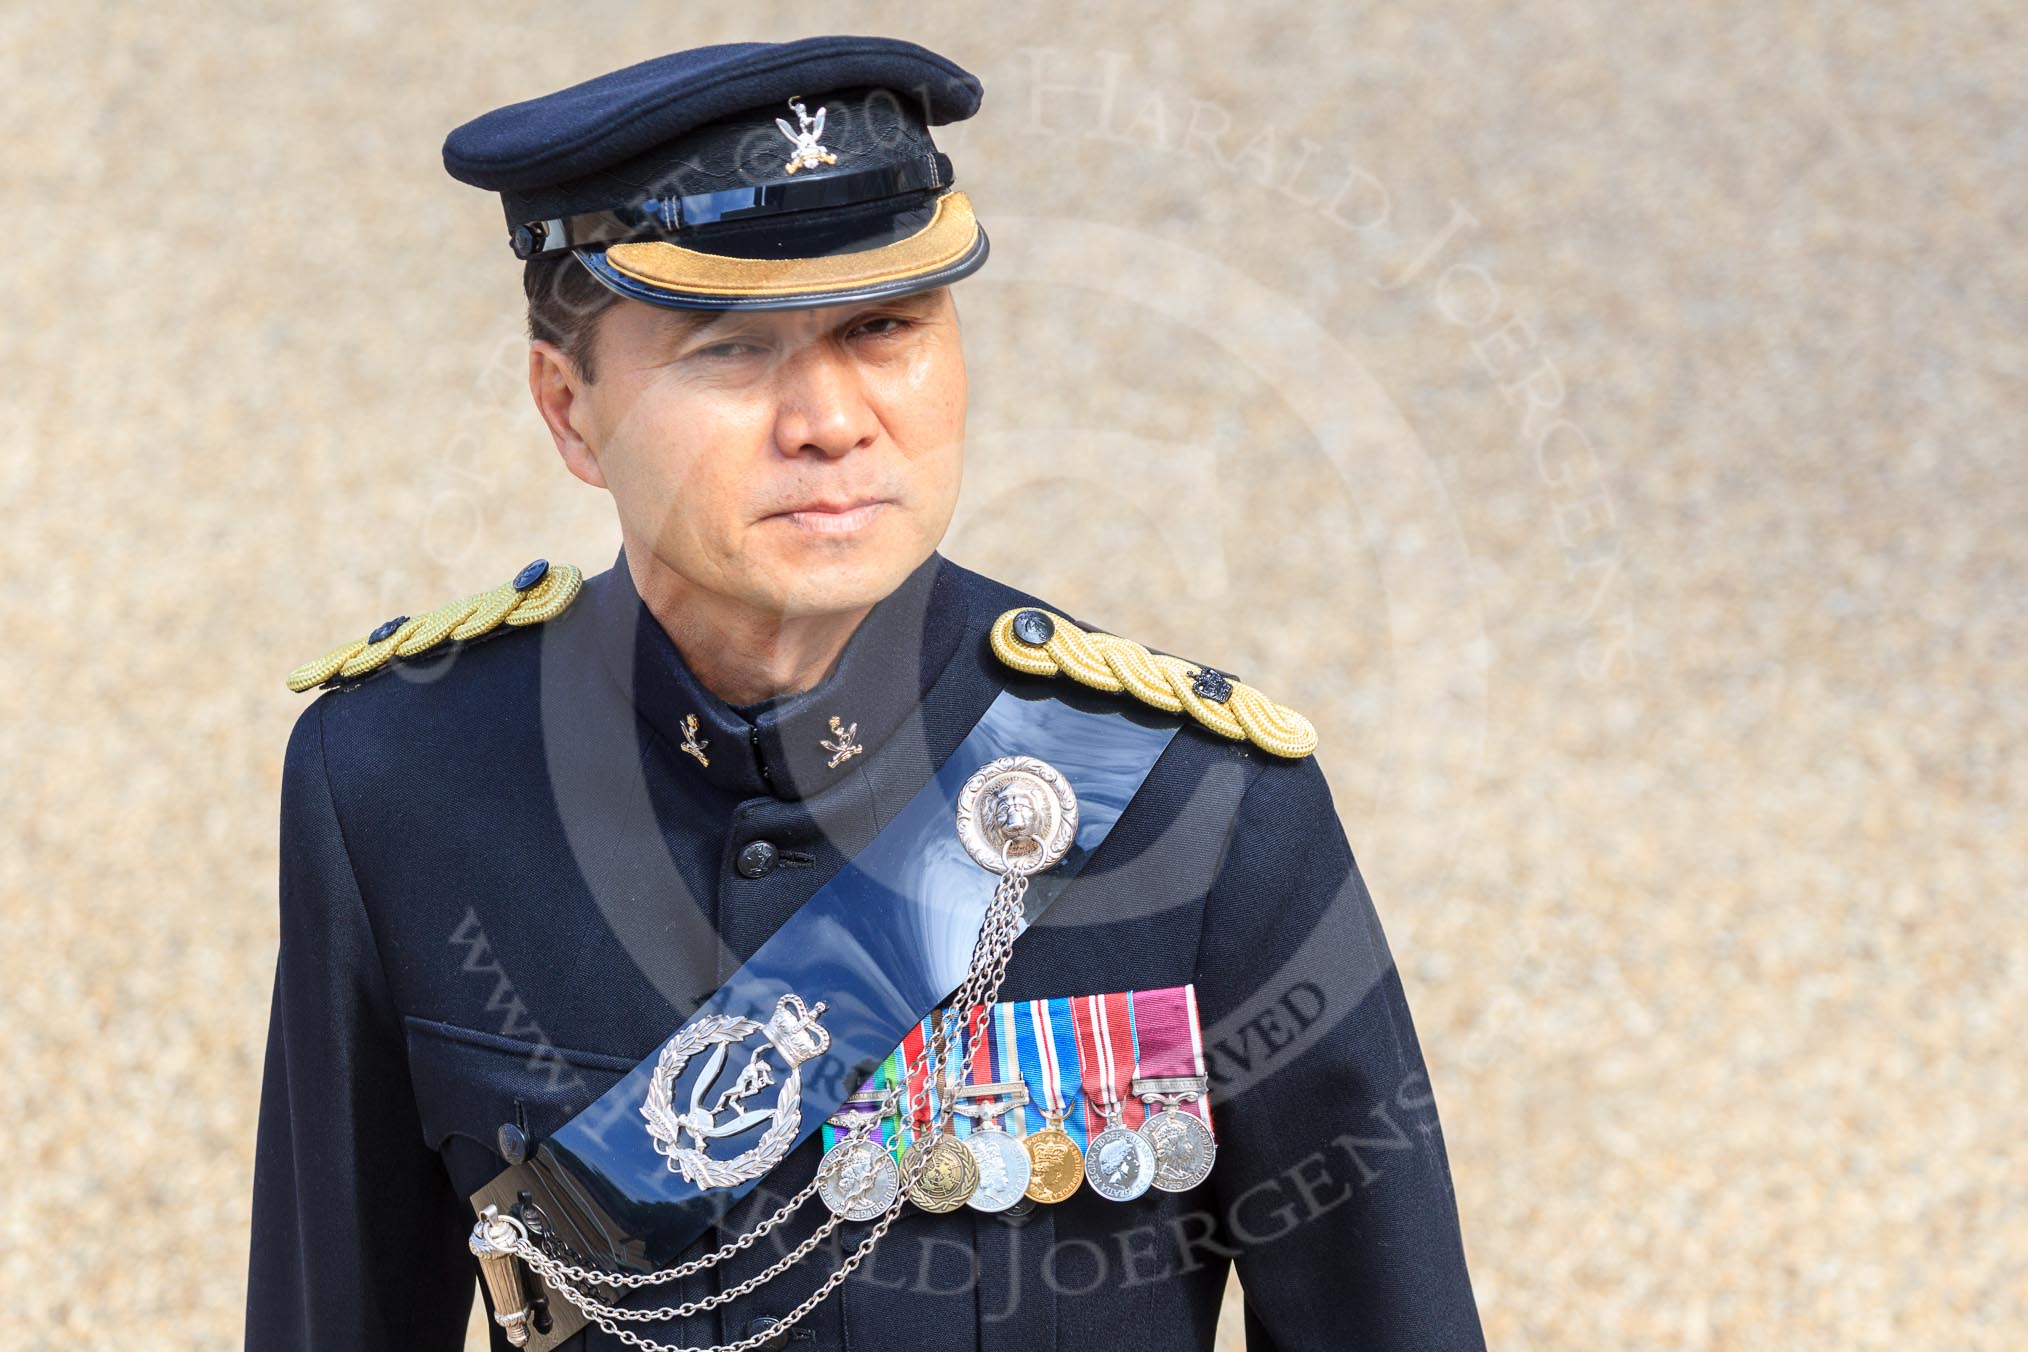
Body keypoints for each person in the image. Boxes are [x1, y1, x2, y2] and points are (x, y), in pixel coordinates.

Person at [244, 34, 1486, 1352]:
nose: (830, 419)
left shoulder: (1201, 798)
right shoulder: (397, 783)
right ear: (568, 408)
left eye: (882, 328)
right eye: (728, 348)